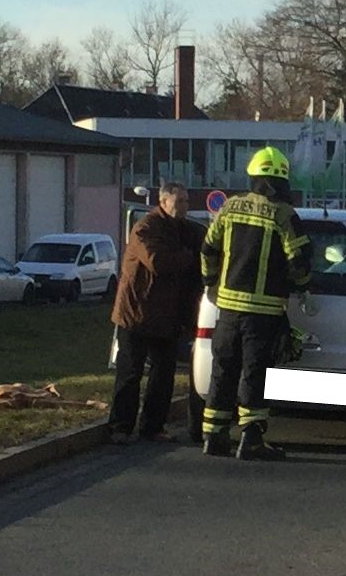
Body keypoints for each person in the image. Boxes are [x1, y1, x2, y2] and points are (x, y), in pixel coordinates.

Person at [200, 148, 311, 459]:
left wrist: (210, 284)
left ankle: (214, 436)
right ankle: (251, 438)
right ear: (281, 180)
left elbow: (208, 249)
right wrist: (301, 288)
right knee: (254, 371)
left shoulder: (230, 207)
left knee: (223, 369)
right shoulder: (283, 214)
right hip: (263, 311)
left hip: (227, 308)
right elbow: (300, 261)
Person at [107, 180, 203, 443]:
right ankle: (120, 427)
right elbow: (158, 262)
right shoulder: (145, 229)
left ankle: (152, 426)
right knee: (130, 373)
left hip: (166, 316)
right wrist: (189, 257)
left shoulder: (186, 230)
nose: (184, 206)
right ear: (163, 202)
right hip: (136, 313)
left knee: (163, 374)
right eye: (179, 201)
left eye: (186, 201)